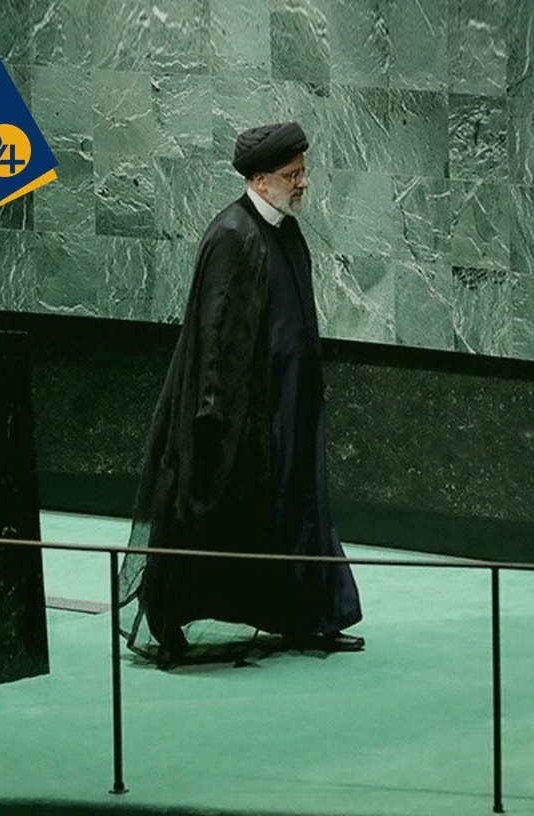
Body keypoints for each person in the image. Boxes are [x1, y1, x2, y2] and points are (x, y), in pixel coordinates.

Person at [119, 122, 363, 665]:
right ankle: (169, 618)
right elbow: (213, 335)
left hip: (288, 408)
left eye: (302, 172)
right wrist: (214, 414)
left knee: (298, 508)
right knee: (212, 510)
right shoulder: (233, 234)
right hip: (239, 416)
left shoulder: (285, 231)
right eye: (292, 175)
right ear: (259, 180)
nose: (302, 183)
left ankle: (309, 618)